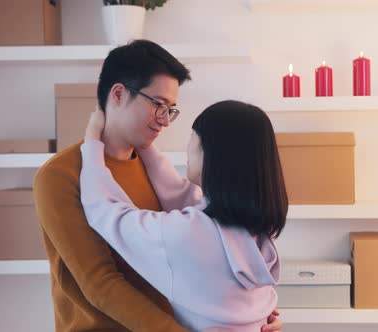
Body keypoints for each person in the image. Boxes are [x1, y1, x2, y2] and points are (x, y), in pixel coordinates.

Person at [33, 40, 282, 332]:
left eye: (171, 109)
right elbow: (99, 282)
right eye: (158, 105)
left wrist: (254, 314)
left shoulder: (156, 171)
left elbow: (222, 247)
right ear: (118, 94)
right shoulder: (60, 175)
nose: (165, 121)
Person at [79, 100, 288, 331]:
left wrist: (92, 140)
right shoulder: (259, 230)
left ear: (212, 152)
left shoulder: (187, 233)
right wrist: (145, 143)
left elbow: (105, 211)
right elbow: (181, 193)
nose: (187, 148)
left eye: (192, 138)